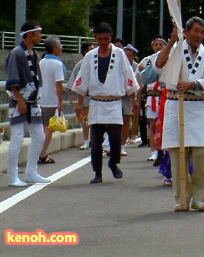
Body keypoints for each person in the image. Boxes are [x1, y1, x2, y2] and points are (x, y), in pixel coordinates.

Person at [154, 17, 204, 212]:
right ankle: (181, 198)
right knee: (177, 155)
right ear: (186, 31)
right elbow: (158, 65)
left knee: (202, 153)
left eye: (202, 32)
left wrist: (193, 84)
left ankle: (199, 198)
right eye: (196, 31)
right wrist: (173, 41)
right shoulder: (175, 50)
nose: (199, 35)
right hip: (176, 104)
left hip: (197, 106)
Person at [73, 22, 139, 184]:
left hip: (115, 103)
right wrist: (79, 104)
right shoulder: (90, 56)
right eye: (100, 39)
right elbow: (83, 81)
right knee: (96, 142)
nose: (103, 41)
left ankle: (113, 162)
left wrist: (133, 97)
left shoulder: (119, 54)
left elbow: (128, 75)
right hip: (96, 103)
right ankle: (97, 172)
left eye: (106, 38)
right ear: (96, 39)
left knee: (116, 139)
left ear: (110, 37)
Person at [5, 20, 50, 186]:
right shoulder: (17, 53)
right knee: (17, 137)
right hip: (19, 101)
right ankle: (13, 177)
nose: (40, 35)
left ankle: (32, 172)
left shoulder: (35, 53)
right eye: (38, 32)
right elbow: (12, 79)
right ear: (29, 34)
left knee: (39, 136)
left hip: (32, 101)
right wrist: (19, 99)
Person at [38, 36, 66, 165]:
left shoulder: (41, 62)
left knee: (41, 129)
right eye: (60, 45)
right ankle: (42, 154)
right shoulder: (57, 64)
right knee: (48, 129)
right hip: (52, 100)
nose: (62, 48)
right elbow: (58, 84)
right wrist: (60, 102)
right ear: (55, 49)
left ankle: (39, 153)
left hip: (40, 99)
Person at [138, 36, 166, 162]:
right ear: (152, 46)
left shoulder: (168, 58)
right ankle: (154, 151)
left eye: (161, 44)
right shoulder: (147, 60)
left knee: (164, 124)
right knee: (152, 124)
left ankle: (164, 149)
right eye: (156, 44)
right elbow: (139, 75)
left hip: (164, 94)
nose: (159, 46)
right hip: (152, 95)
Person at [68, 42, 95, 150]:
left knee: (95, 120)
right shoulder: (79, 65)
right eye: (90, 49)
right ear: (85, 52)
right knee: (84, 119)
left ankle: (95, 139)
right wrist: (72, 95)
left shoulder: (98, 62)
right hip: (84, 96)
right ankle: (86, 140)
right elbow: (74, 81)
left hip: (96, 96)